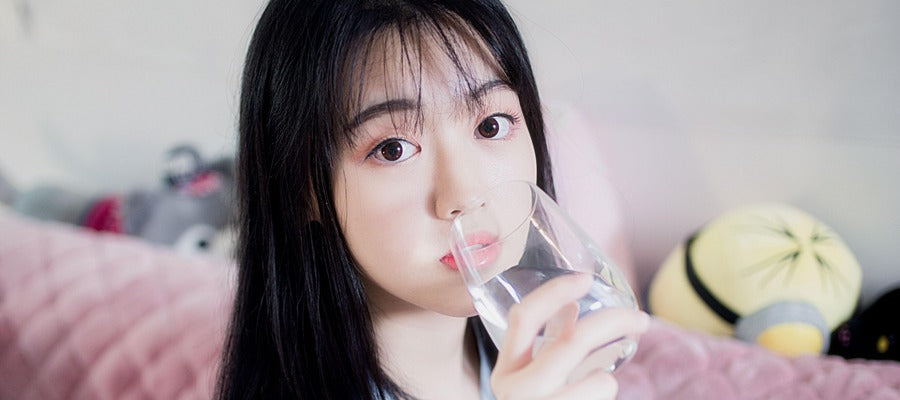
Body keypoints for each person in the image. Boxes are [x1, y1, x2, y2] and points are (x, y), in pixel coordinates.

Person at [216, 0, 650, 399]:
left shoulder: (535, 367)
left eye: (492, 126)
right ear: (301, 191)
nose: (464, 195)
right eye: (393, 149)